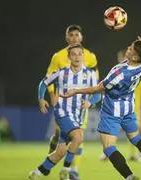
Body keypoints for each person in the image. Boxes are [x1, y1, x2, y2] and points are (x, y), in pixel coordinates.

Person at [62, 39, 141, 180]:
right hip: (128, 109)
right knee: (137, 138)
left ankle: (129, 176)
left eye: (131, 49)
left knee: (108, 147)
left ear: (135, 57)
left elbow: (98, 88)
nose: (128, 48)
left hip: (112, 112)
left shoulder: (119, 74)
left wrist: (76, 91)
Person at [28, 44, 101, 180]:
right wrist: (40, 99)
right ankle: (66, 170)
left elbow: (98, 94)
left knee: (60, 151)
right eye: (73, 54)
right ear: (69, 57)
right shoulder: (61, 73)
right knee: (78, 137)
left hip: (78, 116)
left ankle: (36, 173)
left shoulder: (90, 74)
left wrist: (90, 103)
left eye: (80, 53)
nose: (77, 56)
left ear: (84, 56)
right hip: (62, 112)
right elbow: (44, 83)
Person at [46, 24, 99, 179]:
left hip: (81, 104)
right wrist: (53, 98)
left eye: (77, 35)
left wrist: (92, 100)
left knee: (78, 136)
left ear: (81, 37)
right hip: (63, 105)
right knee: (58, 135)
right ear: (66, 37)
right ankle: (51, 156)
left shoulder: (90, 56)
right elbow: (49, 79)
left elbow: (95, 82)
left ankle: (73, 170)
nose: (74, 37)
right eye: (71, 35)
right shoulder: (58, 57)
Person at [99, 49, 141, 162]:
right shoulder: (117, 72)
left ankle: (134, 154)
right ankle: (108, 152)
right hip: (115, 107)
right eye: (120, 58)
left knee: (134, 132)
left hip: (132, 108)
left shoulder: (138, 73)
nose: (122, 60)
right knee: (113, 131)